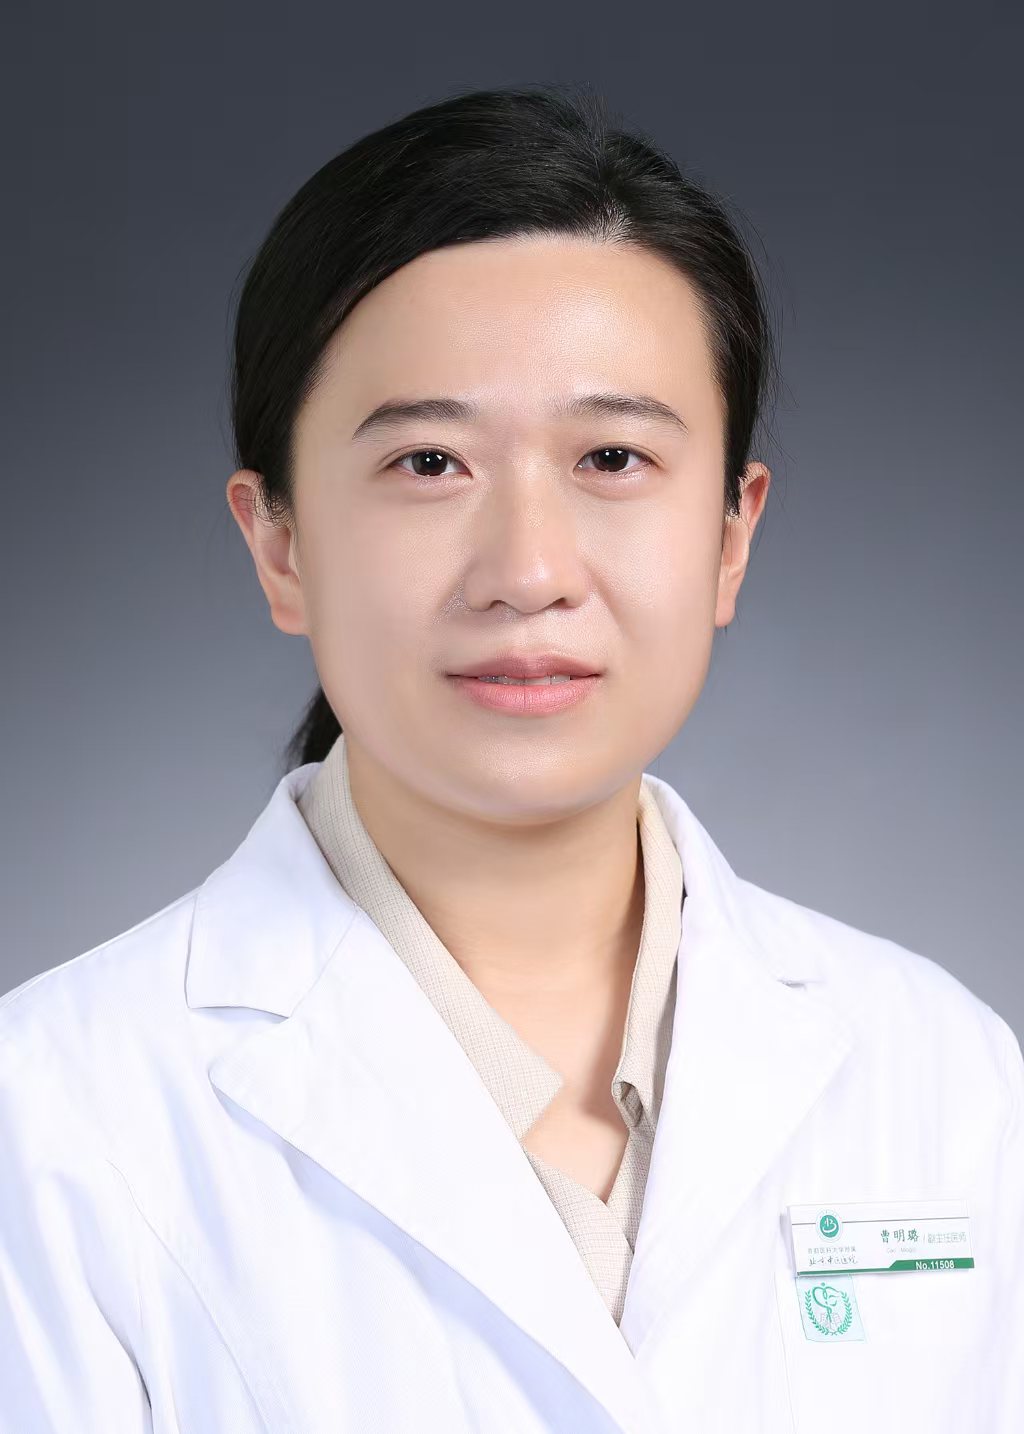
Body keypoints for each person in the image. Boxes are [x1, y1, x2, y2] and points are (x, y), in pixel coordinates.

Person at [1, 81, 1021, 1434]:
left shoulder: (942, 1071)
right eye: (430, 463)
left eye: (613, 456)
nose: (528, 571)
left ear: (732, 534)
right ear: (280, 544)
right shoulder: (53, 1118)